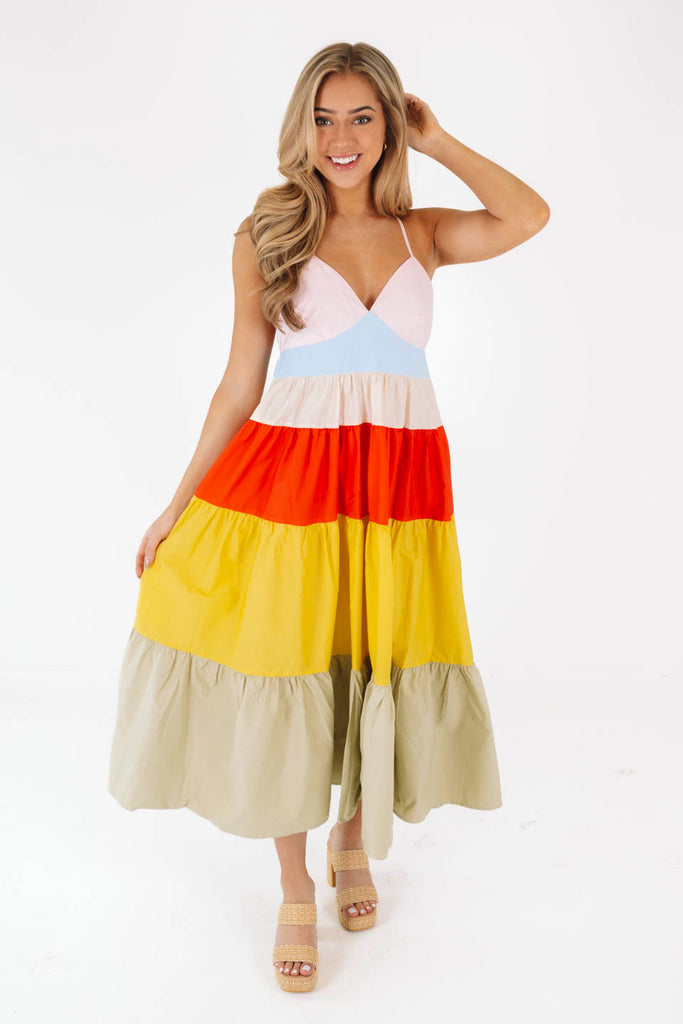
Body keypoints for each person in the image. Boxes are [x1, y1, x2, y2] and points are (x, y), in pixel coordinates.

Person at [108, 41, 550, 993]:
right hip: (292, 494)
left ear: (388, 124)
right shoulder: (267, 234)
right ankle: (293, 885)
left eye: (360, 116)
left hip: (397, 499)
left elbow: (527, 216)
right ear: (300, 129)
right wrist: (177, 504)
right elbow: (240, 384)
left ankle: (353, 840)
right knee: (293, 670)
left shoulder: (421, 233)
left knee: (368, 662)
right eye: (321, 118)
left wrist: (440, 142)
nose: (339, 137)